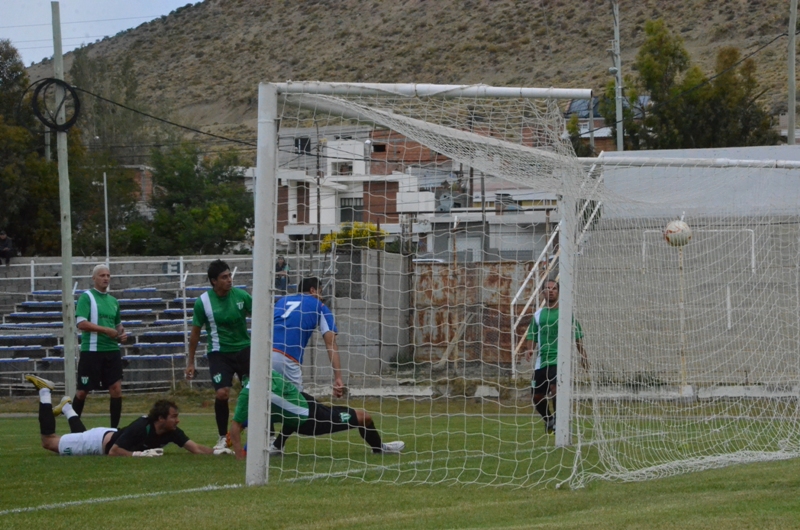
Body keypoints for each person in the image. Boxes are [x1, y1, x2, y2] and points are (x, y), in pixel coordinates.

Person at [25, 374, 218, 457]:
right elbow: (114, 452)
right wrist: (139, 455)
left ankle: (67, 409)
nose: (177, 420)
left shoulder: (171, 431)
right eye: (174, 416)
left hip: (106, 435)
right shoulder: (141, 427)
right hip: (97, 443)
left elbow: (196, 449)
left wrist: (218, 452)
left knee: (79, 437)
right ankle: (45, 391)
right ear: (161, 418)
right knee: (49, 441)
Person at [228, 370, 404, 459]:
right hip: (311, 419)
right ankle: (379, 448)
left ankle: (277, 445)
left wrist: (243, 427)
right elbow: (238, 425)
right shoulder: (255, 389)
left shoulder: (264, 381)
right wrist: (239, 454)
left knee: (289, 412)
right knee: (364, 417)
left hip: (308, 404)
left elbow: (253, 419)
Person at [185, 259, 252, 452]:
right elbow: (195, 333)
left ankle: (266, 433)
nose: (229, 280)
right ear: (214, 281)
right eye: (224, 277)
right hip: (219, 353)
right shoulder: (203, 302)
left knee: (253, 392)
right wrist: (191, 362)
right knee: (222, 393)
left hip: (244, 349)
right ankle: (223, 437)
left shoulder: (241, 296)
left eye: (230, 275)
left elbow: (260, 314)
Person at [520, 279, 588, 434]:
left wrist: (583, 356)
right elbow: (531, 335)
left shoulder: (566, 313)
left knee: (555, 389)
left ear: (558, 292)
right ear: (542, 292)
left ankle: (560, 421)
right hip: (541, 362)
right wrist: (529, 349)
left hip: (560, 360)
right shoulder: (538, 315)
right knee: (537, 397)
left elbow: (577, 336)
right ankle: (549, 420)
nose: (551, 291)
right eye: (547, 288)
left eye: (554, 288)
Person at [73, 263, 127, 428]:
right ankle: (74, 428)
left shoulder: (113, 301)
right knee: (82, 392)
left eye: (108, 276)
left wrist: (121, 333)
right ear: (94, 278)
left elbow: (117, 325)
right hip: (92, 351)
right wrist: (105, 330)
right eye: (102, 275)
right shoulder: (86, 297)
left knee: (116, 389)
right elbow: (81, 323)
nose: (106, 278)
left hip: (111, 350)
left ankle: (113, 430)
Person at [271, 276, 344, 396]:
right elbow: (330, 342)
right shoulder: (319, 306)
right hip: (287, 357)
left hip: (264, 355)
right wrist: (338, 378)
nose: (322, 297)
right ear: (312, 290)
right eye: (320, 292)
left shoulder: (281, 301)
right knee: (297, 405)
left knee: (269, 402)